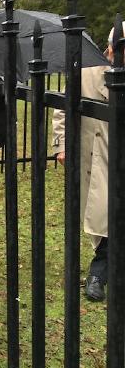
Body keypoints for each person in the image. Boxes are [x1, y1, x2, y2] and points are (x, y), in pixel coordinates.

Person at [53, 23, 123, 301]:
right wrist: (61, 144)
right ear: (110, 48)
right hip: (97, 157)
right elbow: (62, 109)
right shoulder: (85, 73)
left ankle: (98, 273)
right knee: (105, 213)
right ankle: (99, 272)